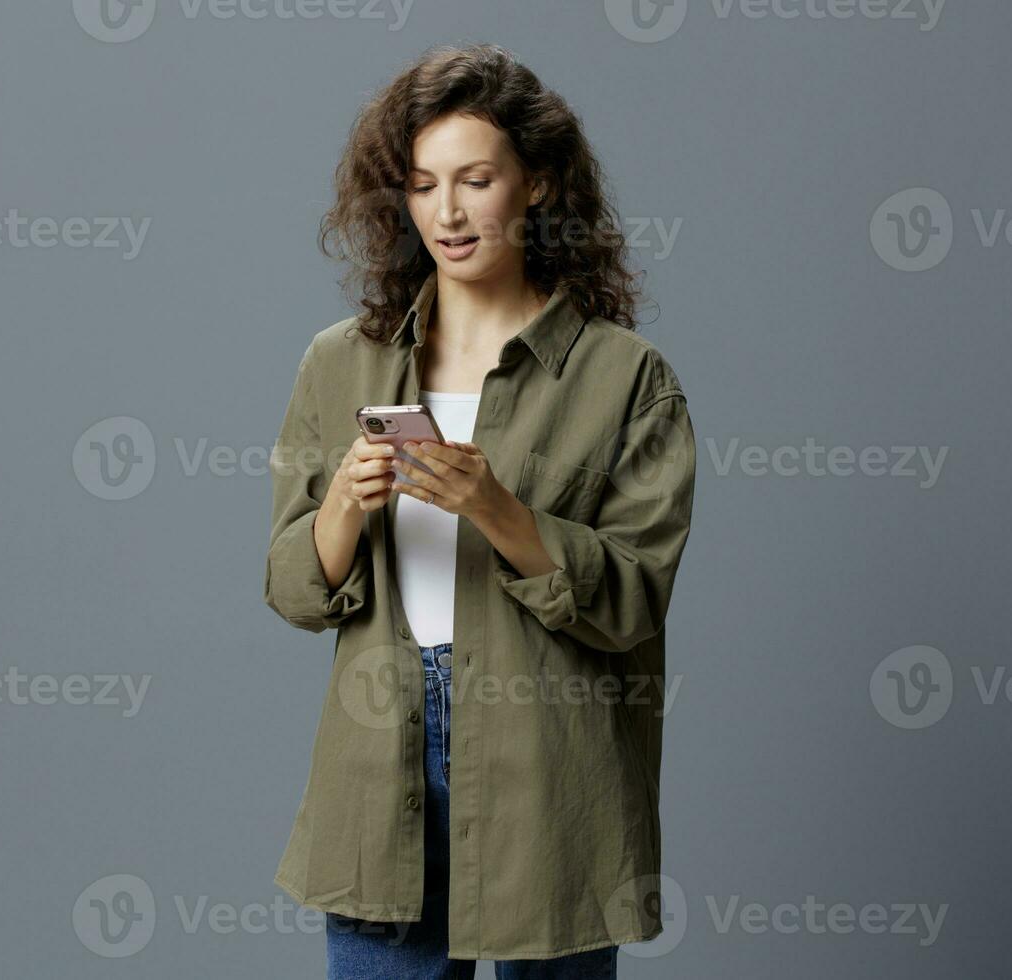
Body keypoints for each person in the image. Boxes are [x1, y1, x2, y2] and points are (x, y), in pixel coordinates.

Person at [264, 42, 696, 979]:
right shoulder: (340, 361)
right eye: (422, 185)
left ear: (536, 185)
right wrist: (342, 500)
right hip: (381, 750)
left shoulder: (626, 378)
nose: (448, 213)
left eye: (476, 179)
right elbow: (293, 590)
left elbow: (632, 602)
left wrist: (498, 509)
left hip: (554, 754)